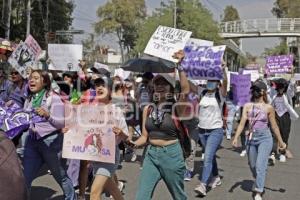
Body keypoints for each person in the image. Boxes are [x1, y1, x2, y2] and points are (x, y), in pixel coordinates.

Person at [131, 51, 190, 200]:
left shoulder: (176, 108)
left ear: (171, 88)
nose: (160, 86)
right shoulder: (148, 109)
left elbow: (185, 91)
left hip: (171, 155)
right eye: (157, 83)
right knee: (141, 197)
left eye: (164, 83)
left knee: (178, 196)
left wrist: (181, 66)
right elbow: (144, 137)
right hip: (151, 154)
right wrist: (130, 142)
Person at [22, 70, 76, 200]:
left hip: (50, 143)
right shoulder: (29, 98)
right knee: (25, 178)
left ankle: (71, 198)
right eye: (30, 78)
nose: (31, 81)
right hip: (32, 142)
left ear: (45, 81)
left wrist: (47, 116)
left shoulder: (54, 98)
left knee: (61, 176)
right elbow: (25, 118)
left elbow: (60, 123)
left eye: (36, 78)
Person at [232, 80, 286, 200]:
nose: (255, 92)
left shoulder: (269, 108)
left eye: (257, 89)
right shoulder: (247, 106)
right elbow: (242, 124)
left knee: (260, 165)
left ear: (263, 92)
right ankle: (258, 180)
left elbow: (274, 126)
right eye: (253, 89)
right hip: (251, 138)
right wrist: (236, 138)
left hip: (265, 139)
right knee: (252, 165)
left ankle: (258, 191)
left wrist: (281, 142)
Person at [85, 76, 128, 200]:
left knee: (94, 192)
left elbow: (126, 136)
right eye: (97, 85)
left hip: (109, 155)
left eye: (102, 85)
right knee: (113, 188)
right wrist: (69, 129)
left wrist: (120, 132)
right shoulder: (90, 110)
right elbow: (82, 132)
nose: (99, 88)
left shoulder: (116, 111)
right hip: (95, 155)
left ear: (109, 90)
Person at [194, 66, 227, 196]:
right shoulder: (202, 92)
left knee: (207, 157)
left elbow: (226, 83)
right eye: (209, 80)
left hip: (215, 131)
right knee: (210, 155)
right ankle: (216, 177)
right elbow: (187, 85)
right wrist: (181, 67)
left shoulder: (220, 94)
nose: (210, 82)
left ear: (218, 83)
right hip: (202, 130)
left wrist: (224, 70)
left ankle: (203, 185)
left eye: (213, 80)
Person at [271, 79, 298, 162]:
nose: (281, 89)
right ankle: (273, 153)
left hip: (285, 117)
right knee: (274, 134)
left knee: (285, 134)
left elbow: (291, 91)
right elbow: (271, 105)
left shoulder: (287, 95)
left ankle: (282, 153)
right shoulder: (274, 96)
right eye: (279, 88)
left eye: (282, 88)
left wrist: (292, 83)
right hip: (276, 116)